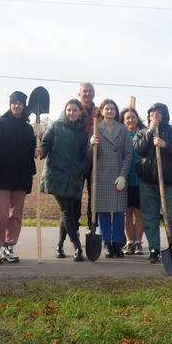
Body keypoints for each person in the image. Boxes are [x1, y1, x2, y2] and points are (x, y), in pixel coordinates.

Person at [133, 103, 172, 264]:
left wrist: (165, 145)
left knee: (171, 218)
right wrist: (150, 131)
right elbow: (139, 149)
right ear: (149, 115)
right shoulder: (142, 133)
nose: (155, 114)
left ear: (165, 115)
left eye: (159, 112)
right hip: (148, 184)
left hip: (169, 184)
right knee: (149, 218)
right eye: (152, 112)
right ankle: (154, 250)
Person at [0, 91, 36, 264]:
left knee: (15, 215)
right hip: (2, 177)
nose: (17, 106)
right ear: (10, 105)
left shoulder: (28, 128)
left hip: (21, 178)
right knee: (0, 214)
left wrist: (35, 152)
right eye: (14, 103)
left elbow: (30, 154)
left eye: (20, 104)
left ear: (24, 107)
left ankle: (9, 245)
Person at [38, 99, 90, 262]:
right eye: (69, 110)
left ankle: (60, 244)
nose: (71, 113)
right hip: (56, 174)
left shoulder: (83, 133)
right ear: (65, 111)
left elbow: (85, 156)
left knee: (67, 212)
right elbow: (46, 143)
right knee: (66, 210)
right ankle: (77, 247)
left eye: (75, 110)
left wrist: (82, 168)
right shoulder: (55, 126)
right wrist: (41, 150)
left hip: (73, 176)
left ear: (80, 113)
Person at [88, 98, 132, 258]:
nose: (110, 111)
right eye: (107, 108)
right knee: (103, 212)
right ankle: (107, 243)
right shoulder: (96, 129)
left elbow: (128, 154)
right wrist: (91, 145)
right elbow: (90, 156)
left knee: (120, 212)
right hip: (101, 176)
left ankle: (117, 244)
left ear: (115, 111)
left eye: (112, 108)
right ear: (102, 111)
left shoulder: (123, 129)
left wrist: (123, 175)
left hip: (118, 175)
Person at [120, 106, 145, 255]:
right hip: (126, 181)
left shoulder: (143, 135)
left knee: (140, 214)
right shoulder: (122, 136)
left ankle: (138, 243)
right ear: (124, 121)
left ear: (137, 119)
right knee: (128, 214)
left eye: (133, 117)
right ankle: (129, 242)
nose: (131, 120)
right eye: (127, 118)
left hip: (141, 181)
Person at [75, 82, 98, 234]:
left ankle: (92, 225)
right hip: (77, 156)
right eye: (85, 91)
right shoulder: (74, 109)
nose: (87, 94)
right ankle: (74, 226)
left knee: (93, 193)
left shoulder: (98, 111)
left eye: (90, 91)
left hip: (94, 157)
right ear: (79, 94)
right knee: (76, 193)